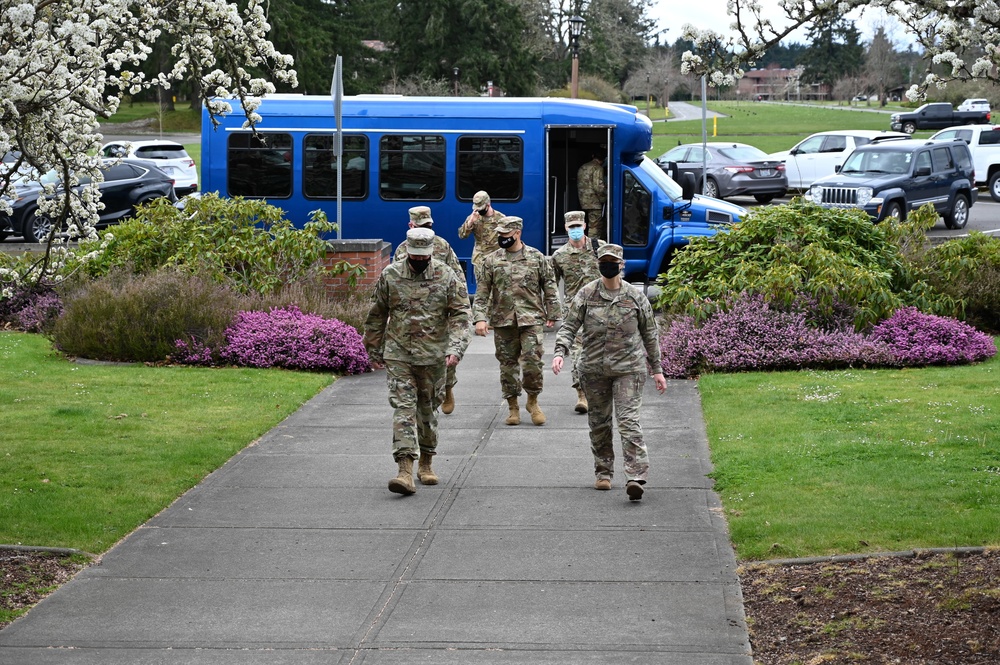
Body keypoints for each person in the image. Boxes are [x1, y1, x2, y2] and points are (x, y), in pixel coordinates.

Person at [551, 244, 667, 501]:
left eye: (612, 261)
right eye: (604, 261)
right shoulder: (587, 294)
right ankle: (603, 472)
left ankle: (635, 476)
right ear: (598, 264)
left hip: (629, 370)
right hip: (594, 369)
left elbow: (650, 334)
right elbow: (570, 326)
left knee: (628, 422)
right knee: (599, 423)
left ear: (621, 265)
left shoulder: (635, 297)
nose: (608, 265)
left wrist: (657, 370)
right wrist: (560, 352)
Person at [364, 227, 471, 496]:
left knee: (427, 412)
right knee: (403, 409)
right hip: (399, 354)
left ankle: (426, 461)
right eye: (415, 256)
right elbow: (377, 314)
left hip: (434, 356)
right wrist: (373, 349)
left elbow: (460, 315)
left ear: (431, 252)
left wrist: (455, 348)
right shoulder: (391, 274)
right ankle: (404, 470)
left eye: (424, 257)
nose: (420, 261)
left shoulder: (446, 276)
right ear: (408, 251)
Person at [473, 216, 561, 427]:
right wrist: (479, 318)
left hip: (531, 318)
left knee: (532, 361)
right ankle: (513, 406)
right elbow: (482, 292)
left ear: (518, 233)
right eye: (500, 235)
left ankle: (532, 401)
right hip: (503, 321)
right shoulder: (491, 260)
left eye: (506, 235)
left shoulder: (536, 257)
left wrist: (553, 313)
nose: (502, 238)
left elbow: (549, 286)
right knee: (507, 365)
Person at [393, 206, 467, 415]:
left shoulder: (443, 246)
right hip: (413, 315)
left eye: (429, 226)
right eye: (422, 226)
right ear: (411, 226)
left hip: (439, 312)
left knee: (448, 356)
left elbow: (458, 278)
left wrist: (461, 307)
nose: (427, 231)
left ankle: (448, 387)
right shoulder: (402, 250)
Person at [549, 210, 603, 414]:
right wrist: (551, 312)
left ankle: (600, 393)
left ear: (585, 226)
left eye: (578, 226)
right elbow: (551, 286)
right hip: (575, 313)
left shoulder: (600, 248)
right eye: (571, 227)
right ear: (566, 228)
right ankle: (582, 394)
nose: (575, 230)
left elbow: (616, 277)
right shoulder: (559, 256)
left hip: (601, 311)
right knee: (578, 354)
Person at [458, 190, 505, 289]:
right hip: (480, 261)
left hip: (497, 261)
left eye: (481, 207)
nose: (479, 210)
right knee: (482, 291)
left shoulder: (500, 219)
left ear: (488, 204)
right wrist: (470, 222)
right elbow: (462, 235)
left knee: (498, 290)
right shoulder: (474, 217)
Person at [577, 147, 607, 239]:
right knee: (594, 226)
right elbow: (598, 187)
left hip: (584, 200)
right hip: (595, 202)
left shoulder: (583, 167)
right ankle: (593, 246)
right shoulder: (597, 168)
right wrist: (604, 198)